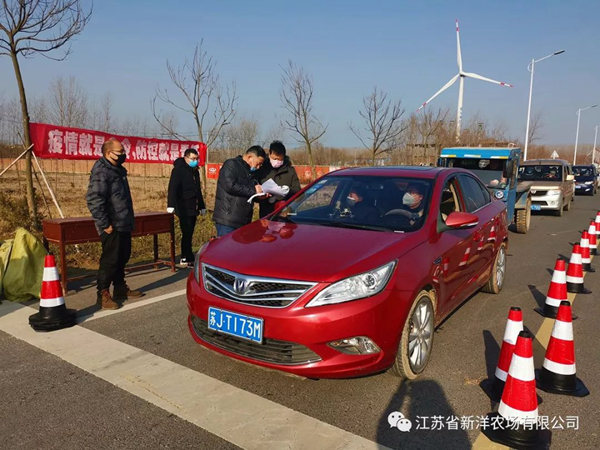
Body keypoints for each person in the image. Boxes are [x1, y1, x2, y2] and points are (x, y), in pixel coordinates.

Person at [86, 138, 143, 310]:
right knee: (110, 260)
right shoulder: (102, 171)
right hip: (112, 224)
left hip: (123, 221)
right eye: (120, 152)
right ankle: (102, 294)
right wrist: (105, 224)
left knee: (122, 257)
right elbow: (94, 199)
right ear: (108, 153)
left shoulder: (118, 170)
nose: (123, 154)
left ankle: (120, 288)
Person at [212, 145, 267, 237]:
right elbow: (230, 186)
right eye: (258, 164)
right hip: (228, 220)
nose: (258, 167)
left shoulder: (251, 173)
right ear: (250, 157)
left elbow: (247, 193)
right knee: (227, 245)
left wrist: (260, 196)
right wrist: (254, 190)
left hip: (244, 221)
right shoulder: (231, 165)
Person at [167, 148, 206, 267]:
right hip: (183, 206)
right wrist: (171, 204)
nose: (195, 161)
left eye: (196, 159)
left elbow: (198, 190)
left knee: (190, 232)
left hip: (193, 206)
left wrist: (201, 206)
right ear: (186, 158)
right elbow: (173, 188)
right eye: (193, 159)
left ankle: (188, 255)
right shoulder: (178, 170)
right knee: (186, 232)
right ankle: (186, 256)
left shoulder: (195, 171)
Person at [257, 141, 301, 217]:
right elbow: (254, 190)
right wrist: (260, 196)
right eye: (274, 159)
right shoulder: (261, 169)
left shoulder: (290, 171)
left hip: (285, 212)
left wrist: (287, 191)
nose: (277, 161)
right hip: (266, 212)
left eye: (279, 159)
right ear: (269, 154)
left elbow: (297, 191)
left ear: (283, 156)